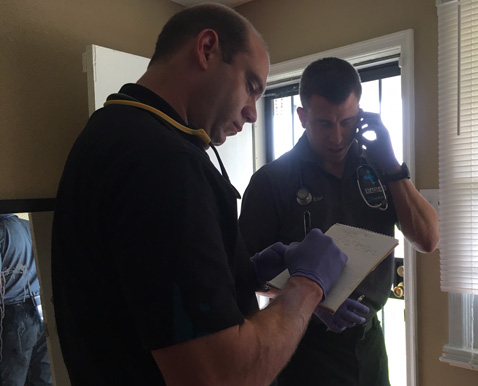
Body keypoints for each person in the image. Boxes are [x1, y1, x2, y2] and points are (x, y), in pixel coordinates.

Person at [51, 4, 348, 386]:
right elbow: (222, 376)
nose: (254, 113)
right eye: (252, 86)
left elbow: (145, 292)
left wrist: (244, 271)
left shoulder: (109, 130)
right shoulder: (164, 163)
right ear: (207, 48)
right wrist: (308, 284)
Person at [239, 57, 440, 386]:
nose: (337, 136)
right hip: (302, 348)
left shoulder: (378, 169)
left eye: (347, 122)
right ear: (302, 117)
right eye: (323, 124)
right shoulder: (272, 181)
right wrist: (316, 301)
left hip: (369, 344)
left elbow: (428, 239)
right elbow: (249, 275)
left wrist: (391, 166)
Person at [0, 214, 52, 386]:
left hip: (14, 316)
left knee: (11, 378)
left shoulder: (2, 231)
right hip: (41, 308)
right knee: (43, 376)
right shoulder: (28, 225)